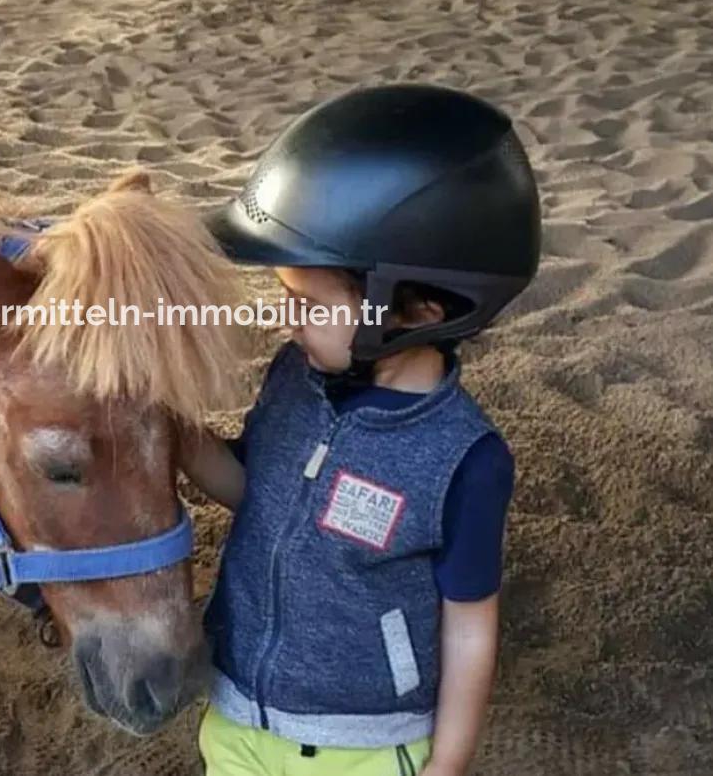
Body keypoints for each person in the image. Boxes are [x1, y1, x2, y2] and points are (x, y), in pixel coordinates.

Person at [184, 84, 541, 776]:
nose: (290, 323)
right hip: (237, 724)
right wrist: (179, 437)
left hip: (365, 752)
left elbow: (470, 626)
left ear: (415, 307)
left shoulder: (466, 461)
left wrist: (449, 764)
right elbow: (257, 495)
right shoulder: (296, 379)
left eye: (308, 304)